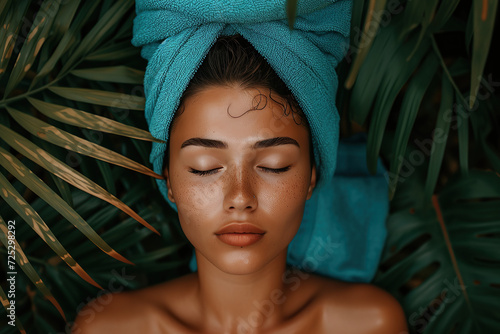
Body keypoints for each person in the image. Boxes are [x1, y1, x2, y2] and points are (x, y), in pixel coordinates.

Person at [73, 34, 408, 334]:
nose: (240, 198)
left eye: (273, 166)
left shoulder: (369, 325)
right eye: (205, 168)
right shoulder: (109, 328)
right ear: (168, 180)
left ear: (311, 178)